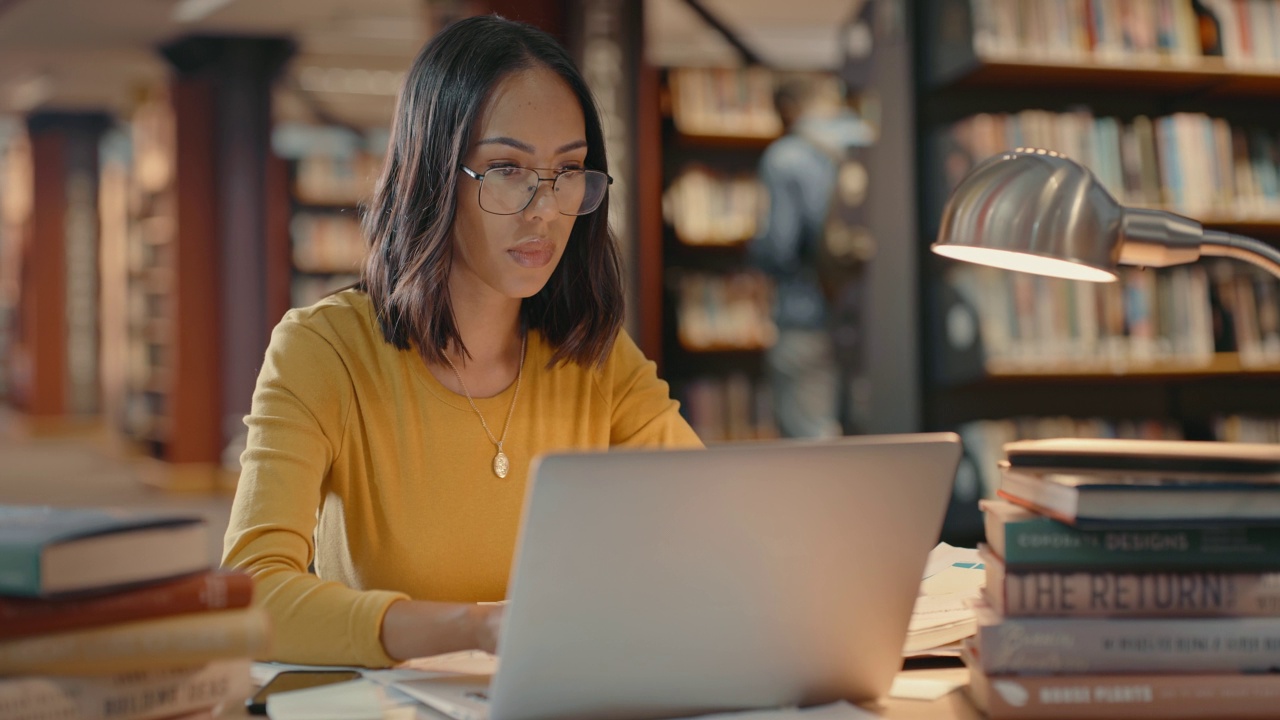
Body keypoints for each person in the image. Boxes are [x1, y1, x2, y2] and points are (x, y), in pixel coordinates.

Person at [222, 15, 703, 669]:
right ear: (434, 173)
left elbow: (715, 528)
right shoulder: (322, 351)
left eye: (568, 171)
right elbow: (251, 598)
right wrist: (475, 628)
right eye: (507, 168)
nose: (545, 209)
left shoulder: (593, 355)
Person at [747, 75, 873, 439]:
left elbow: (779, 248)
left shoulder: (786, 157)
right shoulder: (873, 143)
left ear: (786, 109)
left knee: (812, 446)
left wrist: (753, 253)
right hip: (872, 321)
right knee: (872, 440)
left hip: (807, 315)